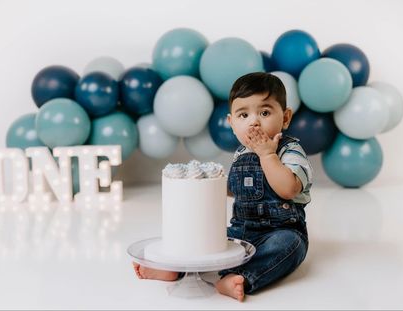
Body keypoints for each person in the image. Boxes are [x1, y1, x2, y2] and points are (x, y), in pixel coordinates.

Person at [133, 72, 312, 302]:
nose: (254, 121)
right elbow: (235, 188)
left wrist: (267, 154)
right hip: (240, 231)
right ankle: (177, 269)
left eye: (265, 113)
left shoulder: (290, 151)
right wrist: (208, 183)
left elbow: (288, 189)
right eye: (243, 115)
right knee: (205, 239)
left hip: (280, 230)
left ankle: (241, 277)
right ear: (232, 123)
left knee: (291, 247)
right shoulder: (240, 154)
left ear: (285, 118)